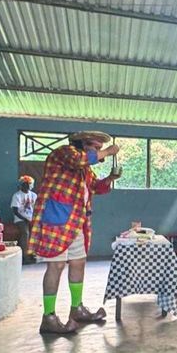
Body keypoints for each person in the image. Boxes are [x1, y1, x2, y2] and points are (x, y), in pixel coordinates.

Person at [29, 130, 121, 335]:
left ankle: (77, 308)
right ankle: (48, 317)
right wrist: (108, 151)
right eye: (95, 147)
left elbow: (96, 187)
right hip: (57, 219)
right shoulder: (64, 153)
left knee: (78, 262)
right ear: (82, 144)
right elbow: (79, 160)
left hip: (76, 222)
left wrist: (110, 178)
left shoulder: (86, 170)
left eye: (100, 148)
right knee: (56, 265)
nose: (99, 151)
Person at [11, 175, 38, 263]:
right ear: (21, 185)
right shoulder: (17, 195)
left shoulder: (33, 195)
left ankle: (33, 254)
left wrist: (34, 219)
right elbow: (15, 211)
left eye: (30, 184)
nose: (28, 186)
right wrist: (25, 219)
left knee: (36, 232)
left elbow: (37, 208)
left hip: (31, 218)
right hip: (20, 219)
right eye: (25, 184)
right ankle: (25, 256)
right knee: (25, 233)